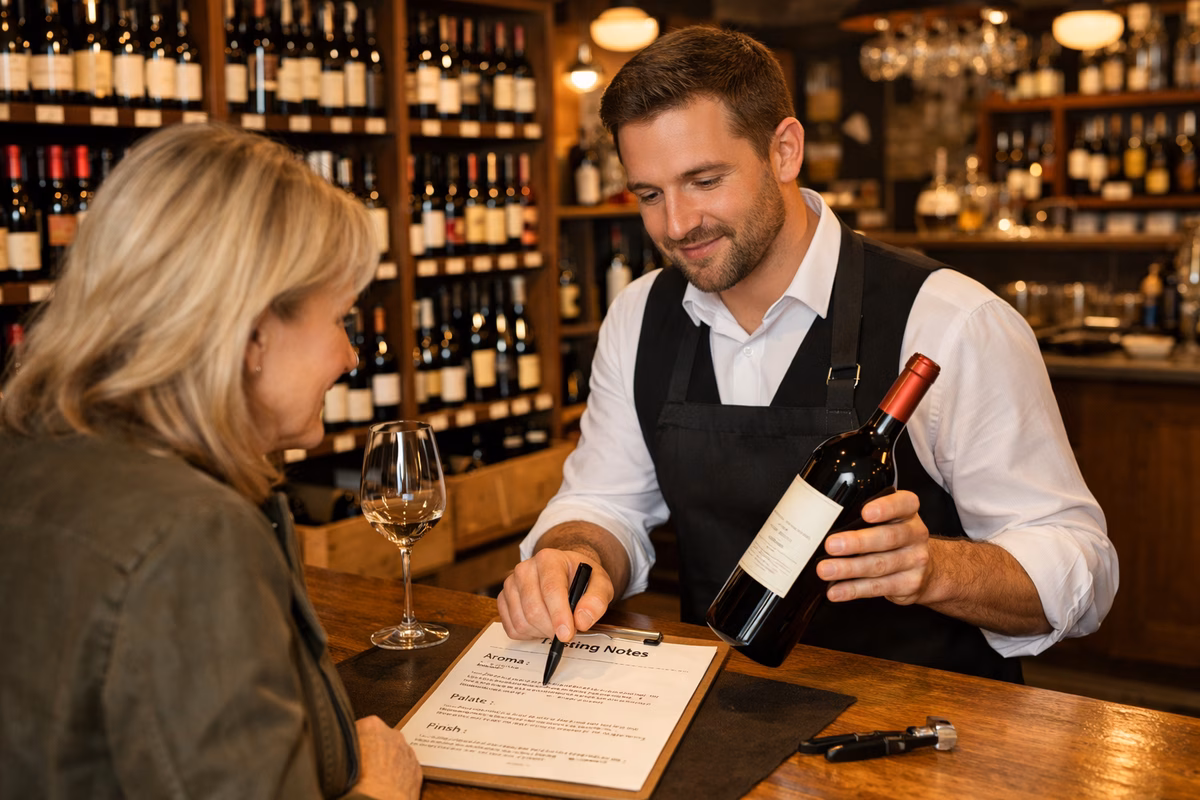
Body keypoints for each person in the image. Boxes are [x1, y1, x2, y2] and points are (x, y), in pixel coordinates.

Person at [497, 26, 1117, 682]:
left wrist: (933, 568)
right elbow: (605, 504)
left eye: (704, 180)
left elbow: (1082, 567)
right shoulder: (639, 316)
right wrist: (570, 554)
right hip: (720, 715)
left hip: (922, 735)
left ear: (784, 150)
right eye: (649, 194)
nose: (675, 225)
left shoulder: (951, 321)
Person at [0, 123, 421, 799]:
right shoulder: (192, 537)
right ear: (252, 333)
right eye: (340, 317)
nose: (350, 356)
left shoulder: (25, 448)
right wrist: (380, 789)